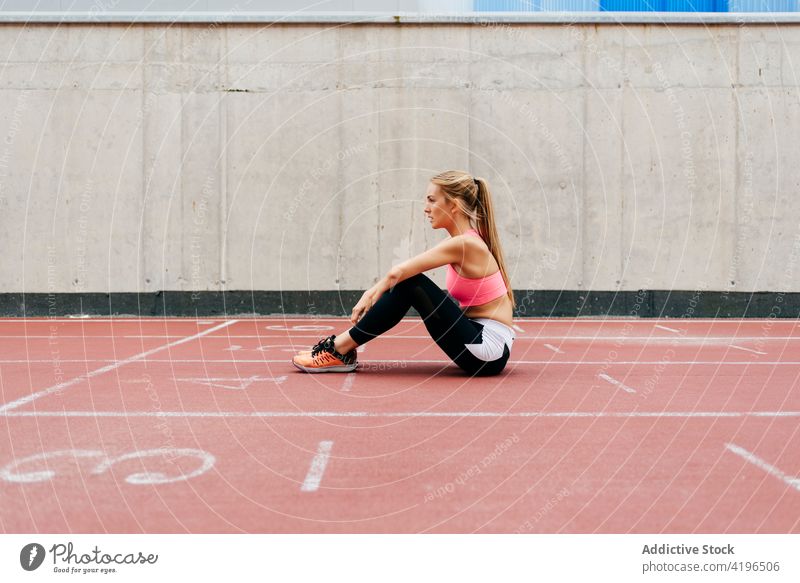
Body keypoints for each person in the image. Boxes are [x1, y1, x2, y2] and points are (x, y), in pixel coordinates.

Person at [291, 170, 516, 377]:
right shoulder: (461, 242)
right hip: (480, 341)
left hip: (487, 350)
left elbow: (400, 272)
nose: (425, 208)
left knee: (409, 283)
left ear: (454, 205)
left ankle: (339, 349)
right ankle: (341, 349)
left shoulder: (465, 244)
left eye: (431, 200)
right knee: (408, 283)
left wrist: (371, 293)